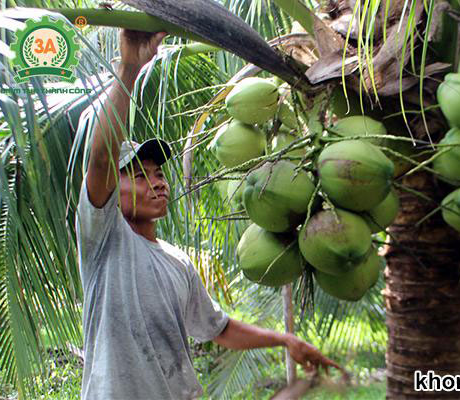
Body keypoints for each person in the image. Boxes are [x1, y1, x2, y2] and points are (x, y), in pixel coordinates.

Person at [75, 29, 340, 400]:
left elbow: (219, 329)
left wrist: (285, 340)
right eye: (138, 176)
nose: (157, 183)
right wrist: (130, 67)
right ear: (111, 193)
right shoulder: (103, 239)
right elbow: (102, 156)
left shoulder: (177, 262)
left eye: (158, 173)